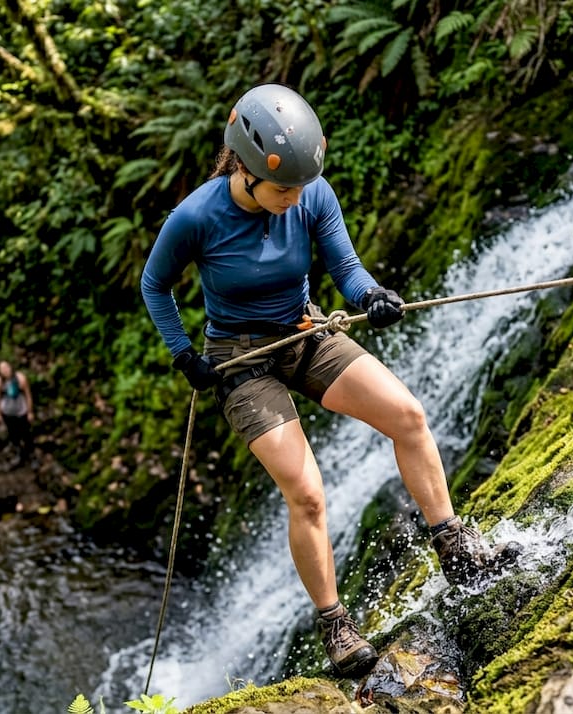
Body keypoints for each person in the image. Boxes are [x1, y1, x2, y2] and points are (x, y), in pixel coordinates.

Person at [140, 84, 520, 678]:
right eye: (282, 189)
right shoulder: (197, 216)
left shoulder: (311, 193)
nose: (294, 199)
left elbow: (343, 263)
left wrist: (371, 295)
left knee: (409, 417)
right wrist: (183, 352)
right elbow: (154, 285)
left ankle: (454, 547)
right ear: (243, 167)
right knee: (309, 493)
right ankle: (337, 627)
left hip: (306, 331)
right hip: (242, 362)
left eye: (299, 187)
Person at [0, 360, 34, 469]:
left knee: (26, 434)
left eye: (6, 367)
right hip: (7, 412)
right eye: (2, 369)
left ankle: (31, 455)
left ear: (11, 367)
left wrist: (30, 412)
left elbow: (28, 395)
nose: (5, 371)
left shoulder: (20, 378)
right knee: (13, 434)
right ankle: (18, 454)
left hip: (21, 410)